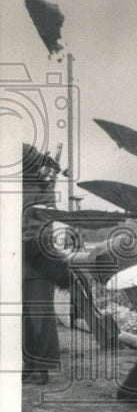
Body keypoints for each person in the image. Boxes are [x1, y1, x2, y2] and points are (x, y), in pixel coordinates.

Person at [21, 144, 70, 383]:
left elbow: (42, 221)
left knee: (40, 316)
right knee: (23, 318)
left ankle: (42, 369)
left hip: (38, 259)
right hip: (17, 260)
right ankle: (29, 365)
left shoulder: (43, 185)